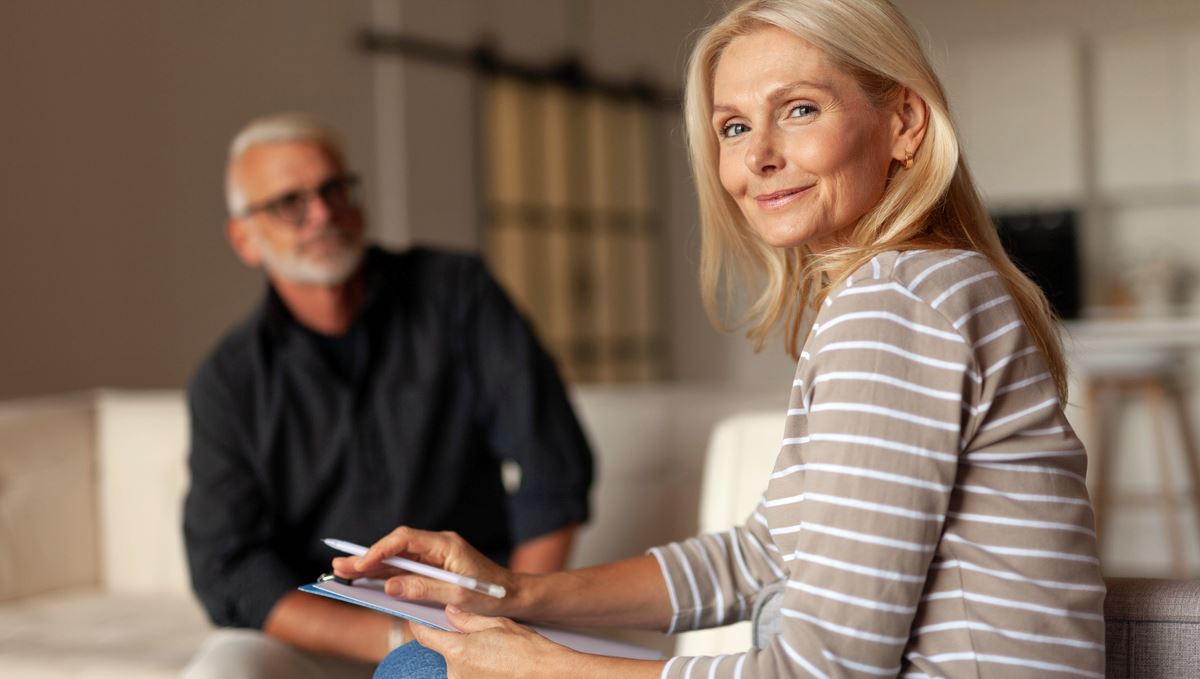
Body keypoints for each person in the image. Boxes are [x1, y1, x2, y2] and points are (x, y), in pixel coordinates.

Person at [339, 1, 1107, 677]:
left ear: (904, 122)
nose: (756, 156)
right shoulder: (915, 289)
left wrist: (546, 668)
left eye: (799, 109)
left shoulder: (897, 303)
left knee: (419, 672)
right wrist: (514, 592)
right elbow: (765, 552)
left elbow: (822, 672)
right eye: (733, 127)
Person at [181, 113, 594, 679]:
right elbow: (229, 566)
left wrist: (513, 627)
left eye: (333, 190)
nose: (322, 214)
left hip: (476, 615)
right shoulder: (227, 381)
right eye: (289, 203)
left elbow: (554, 469)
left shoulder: (457, 295)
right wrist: (398, 639)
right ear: (244, 238)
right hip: (331, 636)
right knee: (222, 670)